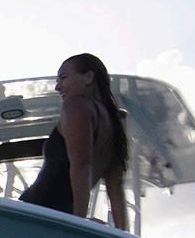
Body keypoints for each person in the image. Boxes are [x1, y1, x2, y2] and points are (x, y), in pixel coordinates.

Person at [20, 54, 129, 228]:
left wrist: (78, 224)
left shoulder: (76, 105)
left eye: (63, 78)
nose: (57, 87)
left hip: (33, 214)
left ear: (88, 77)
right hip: (58, 220)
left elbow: (81, 165)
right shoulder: (115, 123)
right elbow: (115, 187)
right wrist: (123, 233)